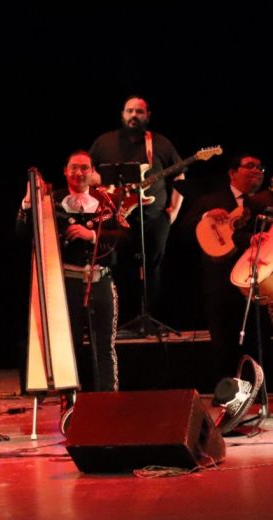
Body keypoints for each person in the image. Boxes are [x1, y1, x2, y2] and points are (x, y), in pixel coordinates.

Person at [17, 152, 126, 392]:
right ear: (65, 171)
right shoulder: (52, 201)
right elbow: (23, 232)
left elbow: (126, 236)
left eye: (84, 168)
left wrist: (93, 235)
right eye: (74, 168)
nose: (79, 173)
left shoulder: (108, 201)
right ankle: (71, 400)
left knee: (105, 345)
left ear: (92, 171)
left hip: (101, 280)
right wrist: (28, 200)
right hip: (67, 283)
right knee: (68, 345)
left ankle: (108, 398)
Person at [89, 96, 184, 323]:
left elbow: (179, 175)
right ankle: (121, 320)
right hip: (116, 217)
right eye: (129, 111)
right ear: (122, 114)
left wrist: (174, 210)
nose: (134, 115)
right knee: (117, 266)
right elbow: (88, 173)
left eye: (139, 111)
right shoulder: (105, 142)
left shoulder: (160, 143)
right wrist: (108, 186)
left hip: (154, 217)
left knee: (153, 267)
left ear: (148, 116)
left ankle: (150, 318)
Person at [200, 154, 273, 377]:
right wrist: (207, 215)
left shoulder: (261, 200)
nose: (257, 170)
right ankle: (230, 390)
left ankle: (260, 387)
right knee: (227, 343)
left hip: (260, 279)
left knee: (259, 339)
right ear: (232, 173)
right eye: (250, 166)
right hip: (227, 281)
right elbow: (238, 235)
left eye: (260, 167)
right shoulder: (216, 199)